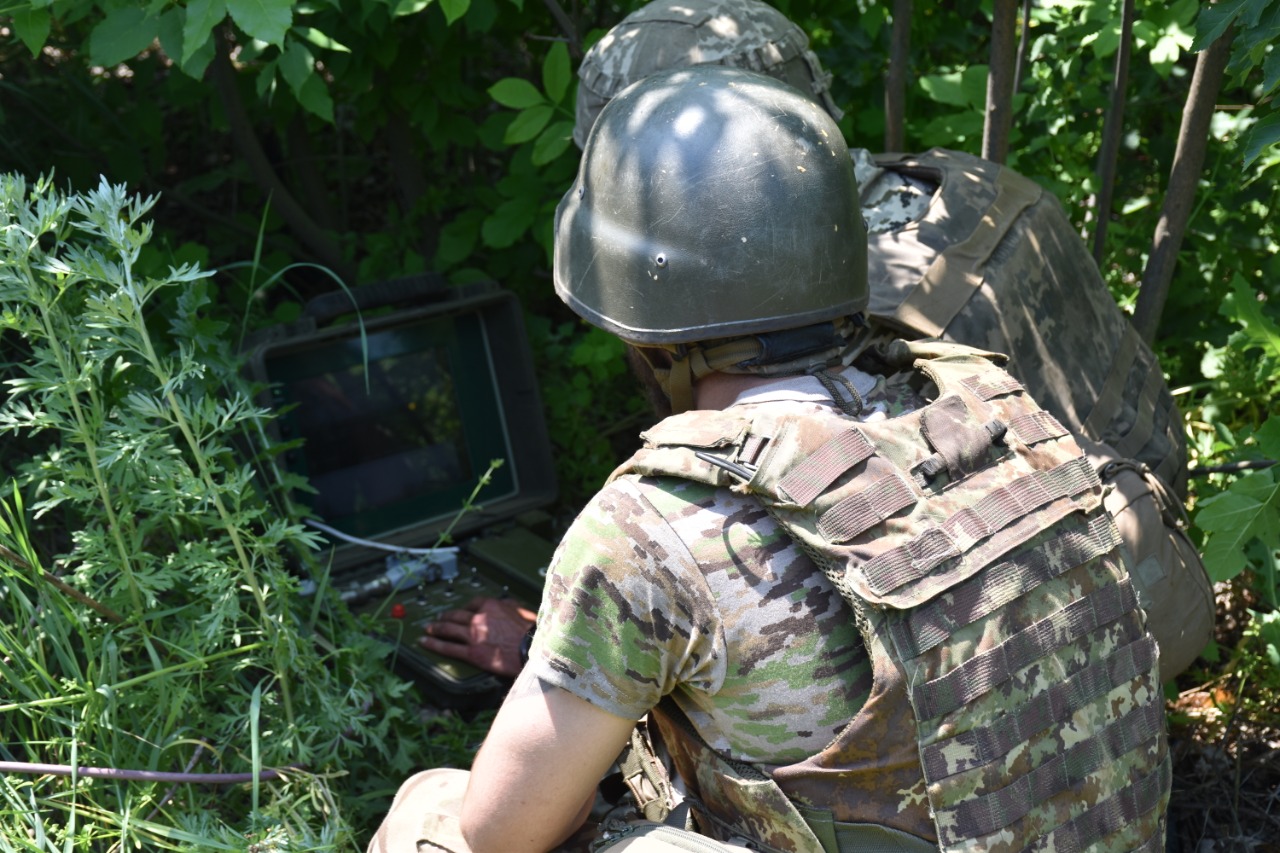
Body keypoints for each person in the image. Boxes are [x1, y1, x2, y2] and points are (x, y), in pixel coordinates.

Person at [372, 65, 1170, 852]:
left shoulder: (653, 528)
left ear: (639, 318)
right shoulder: (989, 407)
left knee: (435, 814)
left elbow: (500, 830)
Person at [421, 0, 1213, 685]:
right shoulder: (968, 189)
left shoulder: (820, 326)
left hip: (1035, 668)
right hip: (1144, 556)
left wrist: (547, 646)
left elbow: (795, 635)